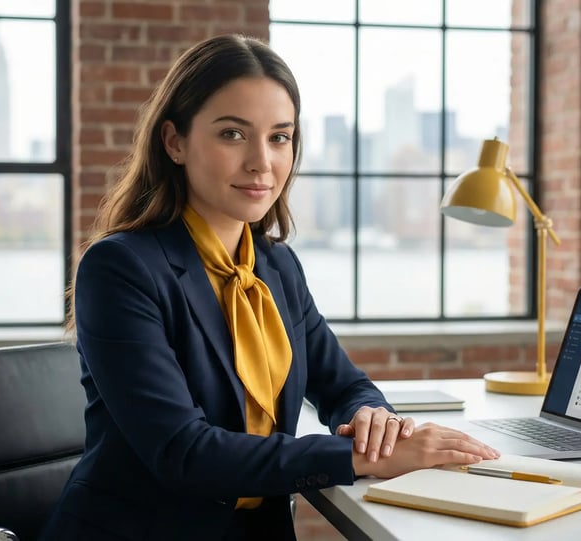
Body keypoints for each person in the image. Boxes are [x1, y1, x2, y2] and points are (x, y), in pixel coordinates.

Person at [40, 34, 498, 541]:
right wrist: (358, 458)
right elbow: (184, 453)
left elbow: (344, 385)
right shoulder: (120, 269)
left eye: (280, 137)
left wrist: (374, 422)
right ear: (174, 142)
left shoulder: (276, 266)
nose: (262, 161)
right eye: (233, 134)